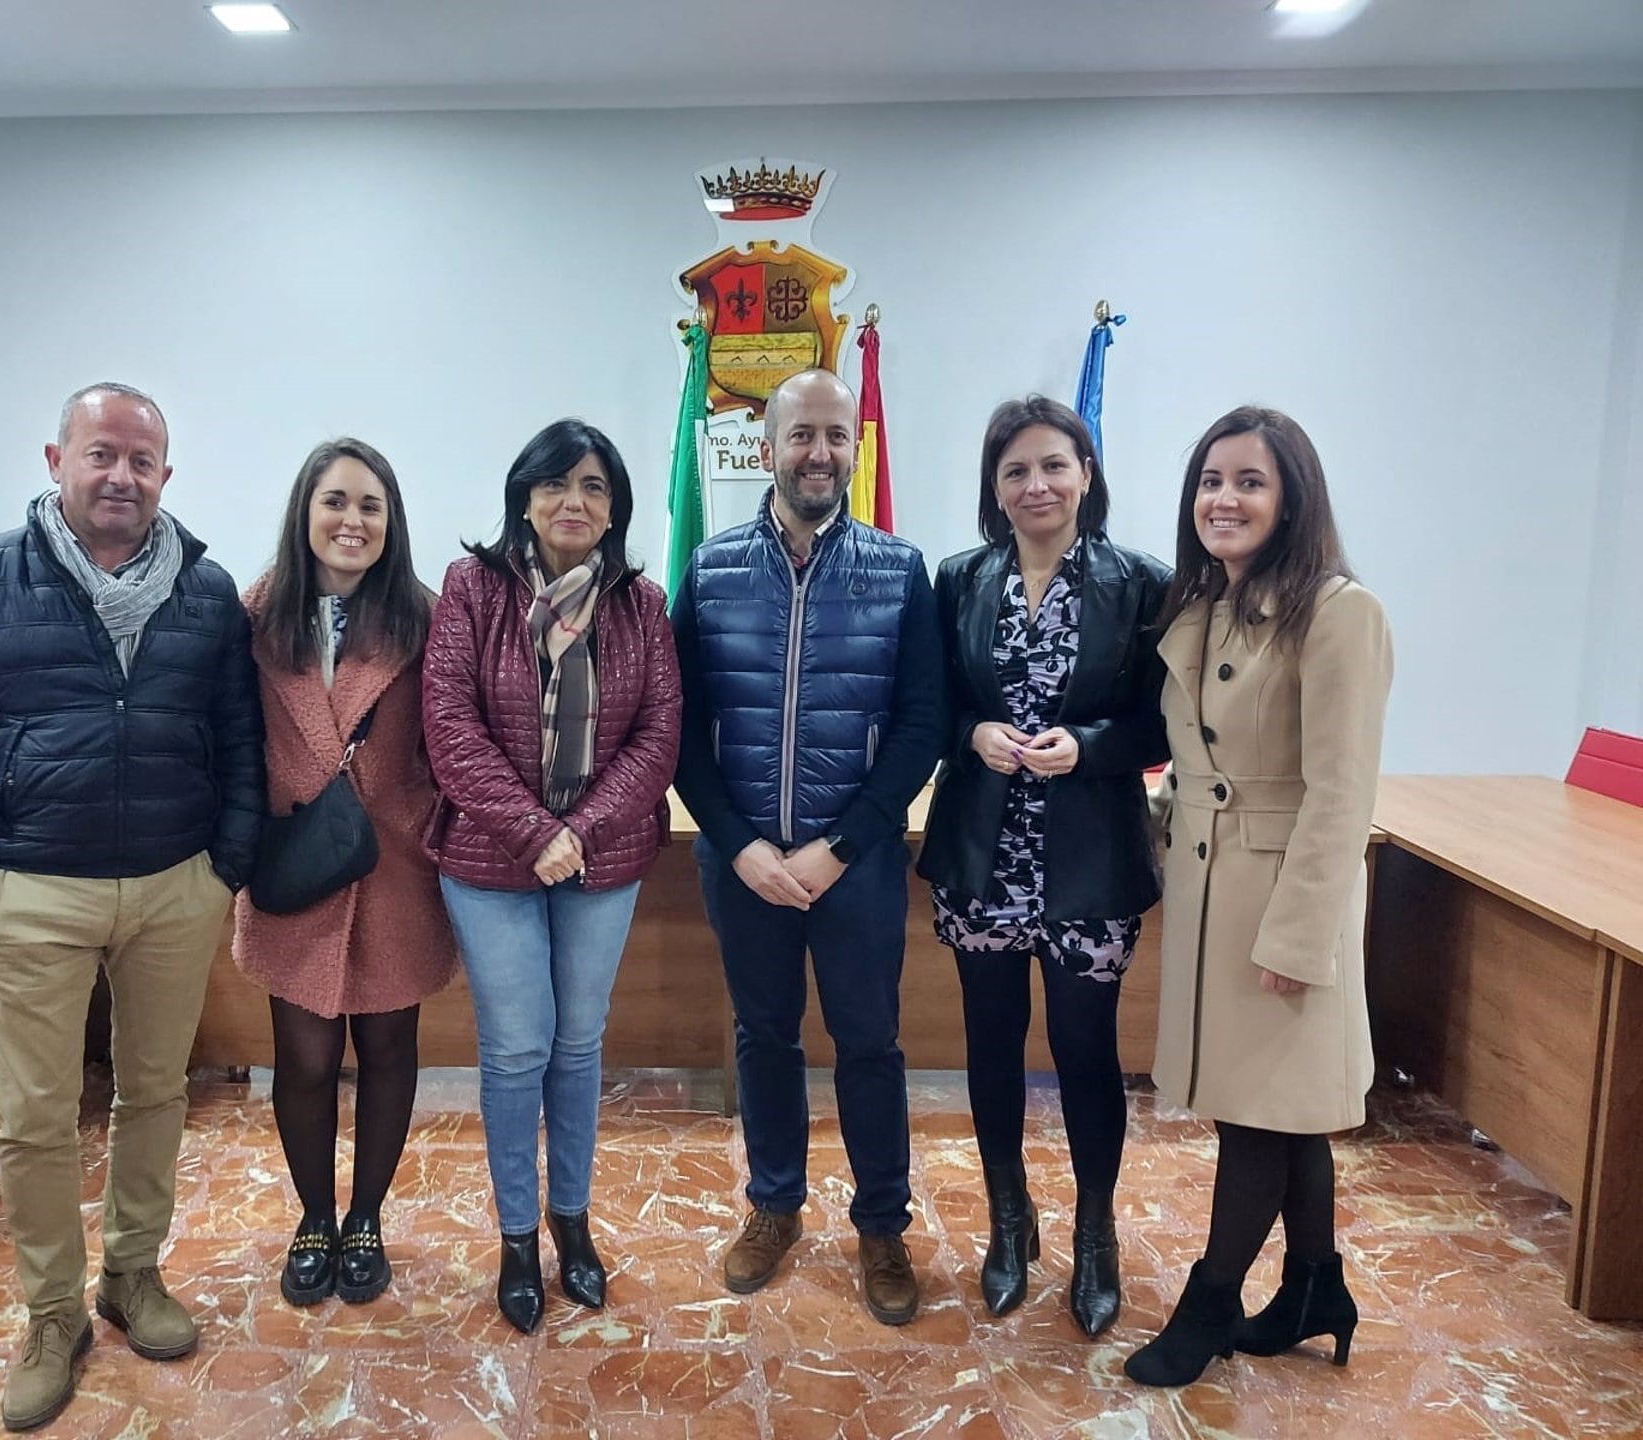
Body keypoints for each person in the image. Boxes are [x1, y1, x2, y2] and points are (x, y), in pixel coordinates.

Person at [0, 382, 264, 1432]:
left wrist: (223, 866)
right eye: (102, 454)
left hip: (171, 888)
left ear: (166, 478)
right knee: (34, 1118)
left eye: (143, 461)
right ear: (56, 458)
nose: (121, 476)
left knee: (155, 1093)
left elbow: (240, 740)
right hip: (31, 894)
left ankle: (133, 1277)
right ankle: (52, 1316)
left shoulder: (205, 589)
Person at [670, 367, 945, 1326]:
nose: (818, 453)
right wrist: (740, 844)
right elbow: (681, 727)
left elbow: (921, 727)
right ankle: (774, 1208)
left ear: (853, 449)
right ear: (769, 447)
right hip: (742, 865)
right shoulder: (707, 572)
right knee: (764, 1036)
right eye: (800, 436)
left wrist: (840, 844)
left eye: (835, 436)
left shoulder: (900, 571)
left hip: (855, 863)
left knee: (869, 1044)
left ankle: (881, 1227)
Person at [1124, 406, 1393, 1386]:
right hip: (1209, 892)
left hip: (1282, 904)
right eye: (1209, 481)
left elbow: (1341, 796)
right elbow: (1192, 765)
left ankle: (1209, 1301)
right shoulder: (1200, 608)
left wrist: (1300, 939)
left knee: (1258, 1118)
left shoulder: (1338, 611)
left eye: (1249, 481)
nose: (1223, 500)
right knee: (1280, 1111)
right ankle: (1319, 1286)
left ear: (1292, 499)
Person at [916, 396, 1171, 1336]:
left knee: (1084, 1051)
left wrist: (1094, 745)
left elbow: (1162, 721)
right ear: (995, 486)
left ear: (1087, 472)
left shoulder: (1143, 584)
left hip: (1088, 860)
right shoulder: (959, 580)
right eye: (1016, 470)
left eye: (1054, 465)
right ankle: (1008, 1220)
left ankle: (1094, 1232)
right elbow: (925, 706)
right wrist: (971, 730)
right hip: (985, 856)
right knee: (991, 1044)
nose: (1037, 485)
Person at [421, 418, 680, 1334]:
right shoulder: (473, 589)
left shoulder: (641, 605)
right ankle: (517, 1238)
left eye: (595, 486)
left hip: (603, 864)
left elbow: (658, 735)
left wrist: (585, 829)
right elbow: (448, 725)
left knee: (579, 1046)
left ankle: (573, 1223)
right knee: (519, 1048)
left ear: (616, 508)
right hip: (491, 862)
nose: (576, 502)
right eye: (556, 484)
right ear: (523, 496)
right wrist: (535, 832)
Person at [233, 439, 458, 1308]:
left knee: (391, 1047)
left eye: (370, 505)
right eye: (335, 502)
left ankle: (366, 1217)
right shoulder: (256, 616)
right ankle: (314, 1217)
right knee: (304, 1058)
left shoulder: (425, 616)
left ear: (391, 521)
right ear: (305, 513)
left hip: (395, 863)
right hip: (294, 865)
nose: (352, 521)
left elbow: (456, 739)